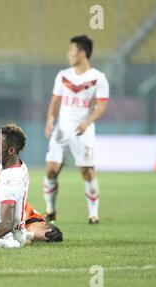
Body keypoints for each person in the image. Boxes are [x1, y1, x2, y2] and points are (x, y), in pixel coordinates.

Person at [43, 35, 109, 225]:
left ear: (82, 53)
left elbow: (101, 106)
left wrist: (87, 122)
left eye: (71, 51)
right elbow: (55, 100)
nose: (68, 54)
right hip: (61, 130)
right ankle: (50, 211)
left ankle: (93, 214)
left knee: (87, 171)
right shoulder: (63, 75)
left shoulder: (98, 78)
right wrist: (50, 120)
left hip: (83, 131)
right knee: (50, 171)